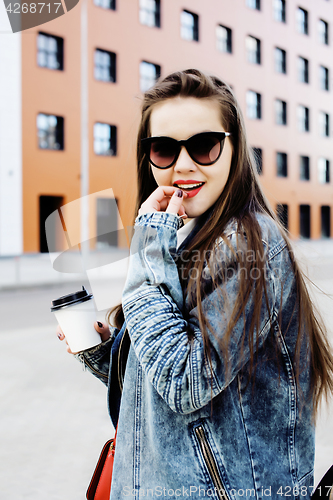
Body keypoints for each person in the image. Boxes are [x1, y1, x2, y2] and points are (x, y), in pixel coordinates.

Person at [57, 69, 333, 499]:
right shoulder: (184, 238)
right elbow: (163, 390)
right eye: (164, 149)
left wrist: (148, 245)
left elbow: (184, 382)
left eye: (204, 145)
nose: (184, 164)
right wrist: (101, 350)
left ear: (234, 150)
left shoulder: (247, 245)